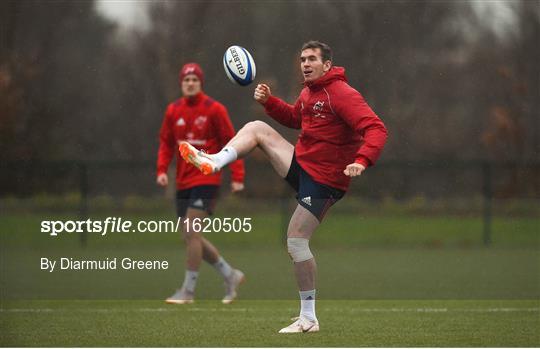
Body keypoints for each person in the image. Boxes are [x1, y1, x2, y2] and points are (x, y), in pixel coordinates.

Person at [178, 41, 388, 332]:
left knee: (296, 241)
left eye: (312, 59)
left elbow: (376, 128)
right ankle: (214, 161)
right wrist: (269, 103)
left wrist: (362, 161)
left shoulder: (342, 94)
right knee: (256, 128)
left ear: (327, 65)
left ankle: (309, 318)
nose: (305, 64)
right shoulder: (308, 92)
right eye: (302, 59)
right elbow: (295, 118)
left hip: (326, 179)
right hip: (302, 166)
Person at [156, 62, 246, 305]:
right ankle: (230, 274)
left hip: (207, 176)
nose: (190, 83)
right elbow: (166, 143)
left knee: (192, 231)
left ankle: (188, 291)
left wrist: (237, 176)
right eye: (186, 80)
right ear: (181, 83)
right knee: (189, 235)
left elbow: (233, 142)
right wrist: (162, 170)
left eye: (195, 79)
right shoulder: (173, 110)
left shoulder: (214, 109)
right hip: (183, 182)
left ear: (200, 83)